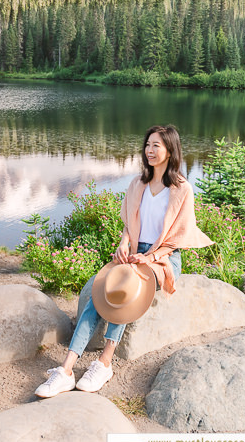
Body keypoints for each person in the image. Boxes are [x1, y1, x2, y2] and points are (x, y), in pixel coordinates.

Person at [35, 124, 213, 398]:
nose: (150, 150)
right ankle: (66, 370)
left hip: (163, 256)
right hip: (133, 253)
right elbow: (129, 226)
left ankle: (104, 363)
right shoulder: (137, 184)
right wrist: (122, 245)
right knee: (99, 293)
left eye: (157, 145)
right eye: (147, 145)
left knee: (127, 288)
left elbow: (178, 238)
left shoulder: (182, 189)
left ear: (170, 150)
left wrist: (149, 256)